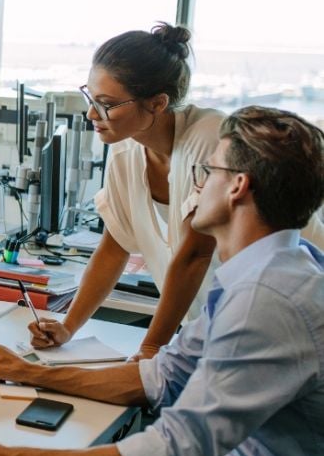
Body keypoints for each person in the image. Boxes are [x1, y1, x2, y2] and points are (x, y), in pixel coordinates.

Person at [0, 106, 324, 456]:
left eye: (208, 172)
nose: (197, 186)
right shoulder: (272, 270)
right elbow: (158, 377)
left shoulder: (265, 299)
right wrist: (27, 372)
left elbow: (169, 455)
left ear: (237, 187)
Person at [29, 23, 324, 359]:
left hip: (286, 318)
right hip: (220, 325)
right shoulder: (126, 152)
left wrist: (151, 349)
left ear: (157, 103)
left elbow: (194, 256)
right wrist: (68, 326)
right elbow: (114, 249)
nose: (91, 113)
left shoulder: (212, 141)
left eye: (107, 103)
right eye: (90, 98)